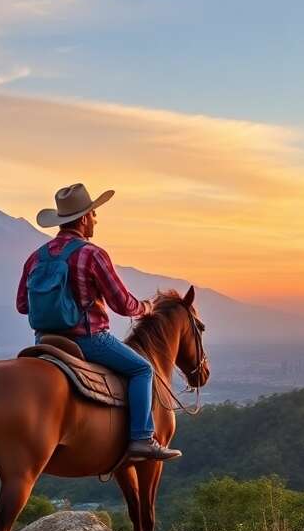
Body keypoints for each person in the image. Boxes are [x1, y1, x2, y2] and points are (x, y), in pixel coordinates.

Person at [16, 183, 181, 461]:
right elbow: (122, 304)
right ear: (82, 219)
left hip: (44, 341)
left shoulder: (37, 257)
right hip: (88, 340)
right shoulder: (92, 254)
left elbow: (22, 305)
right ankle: (141, 438)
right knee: (142, 369)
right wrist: (147, 307)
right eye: (93, 214)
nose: (95, 219)